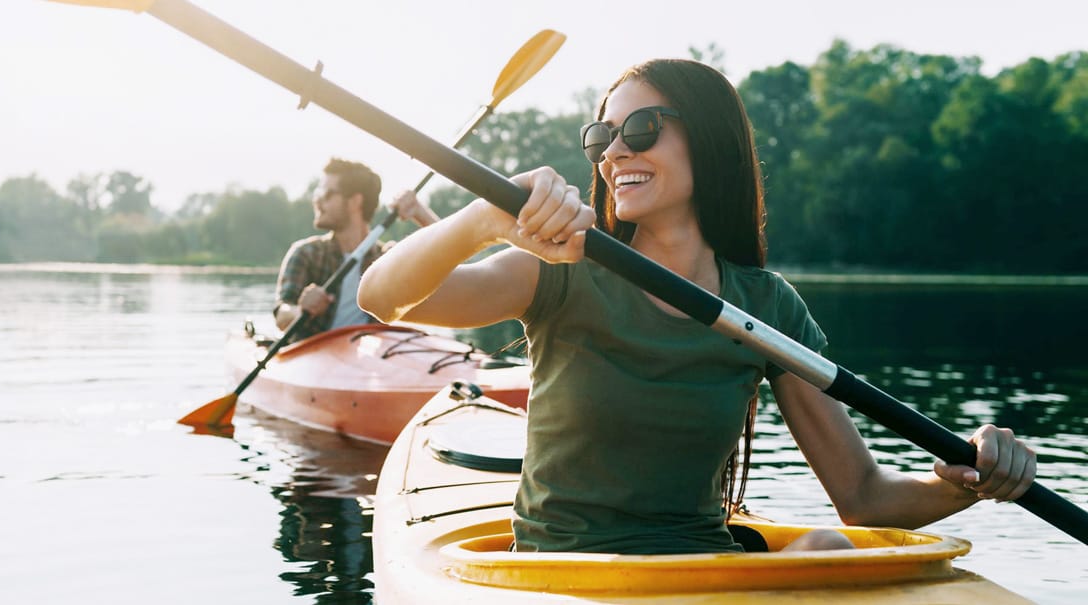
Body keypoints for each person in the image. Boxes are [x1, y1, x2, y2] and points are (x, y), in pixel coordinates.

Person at [357, 59, 1037, 554]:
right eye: (602, 139)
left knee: (827, 546)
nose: (616, 151)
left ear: (707, 140)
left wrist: (970, 478)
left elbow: (862, 495)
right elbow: (381, 296)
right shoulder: (560, 269)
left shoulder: (767, 307)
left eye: (643, 128)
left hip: (702, 570)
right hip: (563, 576)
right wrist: (483, 218)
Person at [274, 157, 437, 343]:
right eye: (317, 193)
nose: (317, 201)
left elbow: (450, 259)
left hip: (367, 361)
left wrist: (419, 212)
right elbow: (281, 315)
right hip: (311, 357)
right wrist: (301, 310)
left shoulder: (387, 259)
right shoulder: (306, 253)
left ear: (355, 202)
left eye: (326, 194)